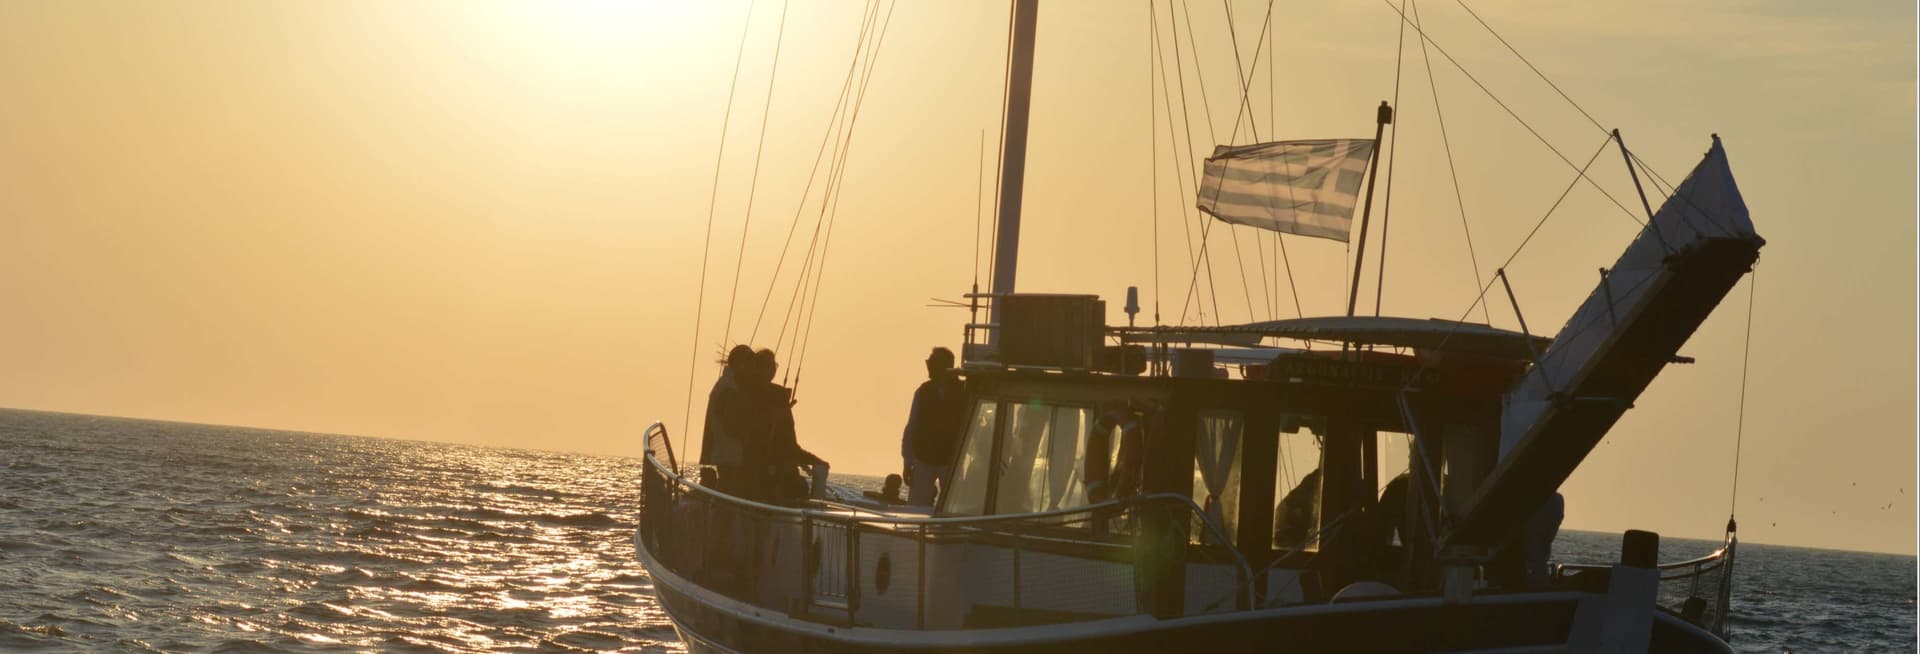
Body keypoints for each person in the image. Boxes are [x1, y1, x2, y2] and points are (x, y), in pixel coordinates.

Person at [738, 349, 827, 504]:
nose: (772, 369)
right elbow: (750, 435)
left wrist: (811, 459)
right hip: (761, 472)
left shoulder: (778, 396)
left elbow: (789, 442)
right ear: (756, 367)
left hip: (783, 470)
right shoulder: (745, 395)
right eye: (767, 365)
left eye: (774, 365)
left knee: (801, 486)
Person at [901, 347, 966, 507]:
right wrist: (907, 461)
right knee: (916, 507)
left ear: (944, 366)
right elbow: (912, 426)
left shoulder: (964, 390)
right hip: (924, 459)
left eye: (932, 363)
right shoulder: (923, 391)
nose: (929, 367)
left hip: (951, 461)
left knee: (953, 507)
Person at [698, 345, 755, 491]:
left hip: (727, 452)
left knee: (727, 487)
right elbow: (731, 425)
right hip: (729, 453)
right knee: (728, 488)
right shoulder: (729, 389)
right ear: (741, 364)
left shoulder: (727, 384)